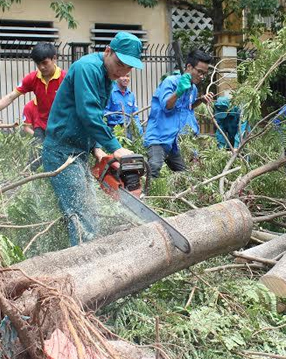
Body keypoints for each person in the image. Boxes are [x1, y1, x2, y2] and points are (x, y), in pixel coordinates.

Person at [43, 32, 143, 247]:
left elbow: (95, 114)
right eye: (120, 64)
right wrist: (114, 147)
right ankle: (82, 266)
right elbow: (87, 113)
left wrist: (98, 149)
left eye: (128, 67)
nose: (123, 71)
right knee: (83, 215)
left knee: (89, 212)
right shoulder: (87, 68)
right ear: (108, 51)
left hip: (79, 152)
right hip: (62, 151)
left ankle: (76, 255)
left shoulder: (107, 77)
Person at [0, 42, 65, 143]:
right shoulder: (32, 78)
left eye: (44, 63)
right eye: (38, 64)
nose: (41, 67)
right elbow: (10, 97)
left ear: (54, 58)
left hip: (62, 128)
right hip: (41, 128)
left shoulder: (66, 79)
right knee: (36, 157)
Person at [144, 49, 214, 177]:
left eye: (204, 73)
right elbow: (166, 106)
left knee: (187, 174)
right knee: (154, 167)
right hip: (159, 138)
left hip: (175, 142)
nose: (202, 76)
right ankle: (145, 196)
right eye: (199, 72)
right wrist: (179, 91)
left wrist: (200, 100)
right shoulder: (170, 82)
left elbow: (187, 108)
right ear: (189, 67)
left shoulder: (192, 88)